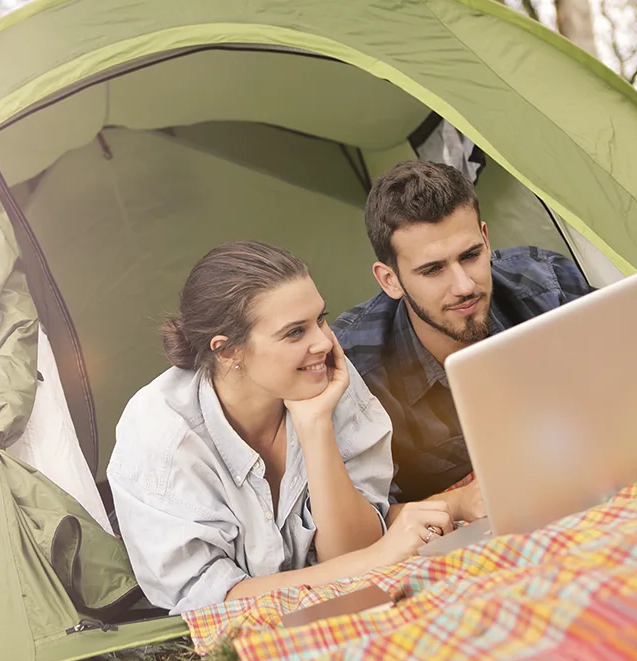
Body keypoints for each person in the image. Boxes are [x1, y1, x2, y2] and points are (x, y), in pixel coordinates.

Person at [108, 241, 454, 614]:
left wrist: (315, 426)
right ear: (227, 351)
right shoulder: (161, 435)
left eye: (320, 318)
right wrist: (374, 559)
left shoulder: (324, 377)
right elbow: (212, 603)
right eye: (294, 333)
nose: (323, 341)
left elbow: (352, 550)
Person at [333, 161, 593, 525]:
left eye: (470, 256)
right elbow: (367, 519)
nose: (464, 286)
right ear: (390, 280)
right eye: (433, 269)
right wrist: (457, 502)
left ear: (486, 240)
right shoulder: (355, 364)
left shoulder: (547, 283)